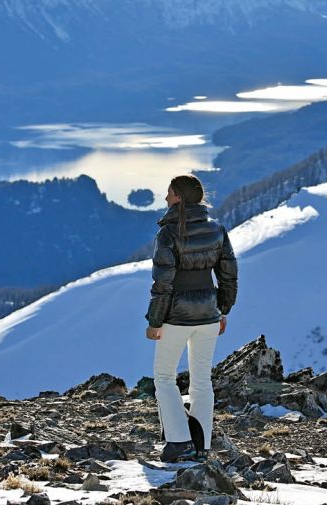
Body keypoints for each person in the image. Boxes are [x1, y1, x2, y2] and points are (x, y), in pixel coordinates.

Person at [145, 174, 238, 463]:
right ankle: (202, 445)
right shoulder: (217, 229)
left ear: (179, 198)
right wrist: (223, 310)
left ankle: (178, 441)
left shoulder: (169, 233)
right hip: (208, 315)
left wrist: (155, 321)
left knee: (164, 377)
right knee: (201, 381)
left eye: (169, 193)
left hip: (176, 316)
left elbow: (163, 283)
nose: (165, 198)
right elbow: (229, 275)